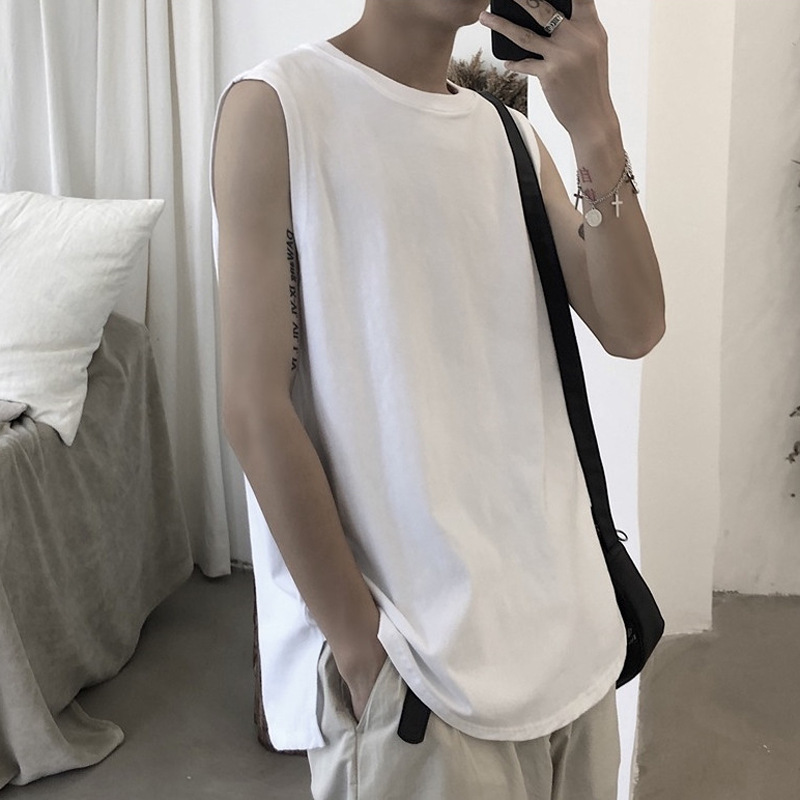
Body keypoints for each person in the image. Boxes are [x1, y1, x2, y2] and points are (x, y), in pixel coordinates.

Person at [210, 0, 665, 797]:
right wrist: (364, 654)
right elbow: (255, 406)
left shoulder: (512, 139)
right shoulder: (278, 107)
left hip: (576, 652)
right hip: (420, 686)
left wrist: (596, 129)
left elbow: (634, 327)